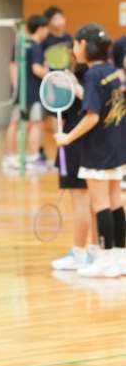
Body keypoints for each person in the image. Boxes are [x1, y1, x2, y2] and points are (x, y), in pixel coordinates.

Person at [55, 24, 126, 278]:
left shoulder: (94, 75)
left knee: (101, 204)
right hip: (116, 145)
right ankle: (120, 257)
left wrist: (67, 137)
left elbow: (92, 116)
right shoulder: (112, 72)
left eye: (76, 44)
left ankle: (105, 260)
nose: (74, 48)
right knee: (116, 203)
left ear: (84, 45)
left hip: (98, 149)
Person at [50, 61, 97, 271]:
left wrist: (72, 87)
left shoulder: (83, 81)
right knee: (96, 203)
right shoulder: (105, 77)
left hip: (75, 147)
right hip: (95, 147)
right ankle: (96, 251)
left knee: (81, 203)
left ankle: (79, 253)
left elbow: (91, 109)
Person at [3, 15, 48, 169]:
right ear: (41, 29)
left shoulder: (21, 44)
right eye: (46, 28)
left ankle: (10, 157)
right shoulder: (36, 46)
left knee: (15, 123)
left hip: (20, 91)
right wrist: (52, 76)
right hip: (33, 91)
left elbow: (13, 65)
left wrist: (16, 87)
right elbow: (37, 69)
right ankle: (33, 157)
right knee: (36, 123)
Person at [42, 6, 72, 70]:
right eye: (55, 19)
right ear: (48, 22)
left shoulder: (69, 37)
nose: (60, 22)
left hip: (66, 72)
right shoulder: (45, 39)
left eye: (61, 18)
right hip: (51, 72)